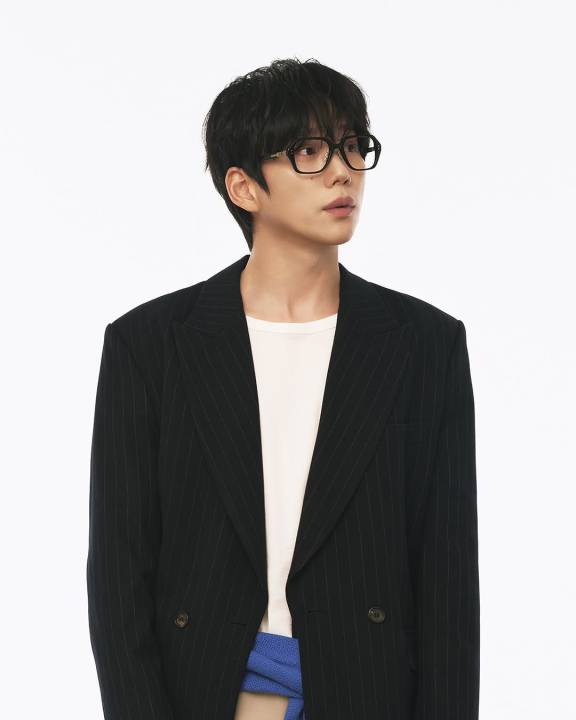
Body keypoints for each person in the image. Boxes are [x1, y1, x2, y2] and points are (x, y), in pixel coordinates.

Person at [87, 57, 480, 720]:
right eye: (309, 151)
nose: (342, 171)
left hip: (367, 693)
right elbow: (119, 585)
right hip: (205, 695)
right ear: (244, 186)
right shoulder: (150, 347)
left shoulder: (424, 345)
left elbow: (448, 589)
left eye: (353, 145)